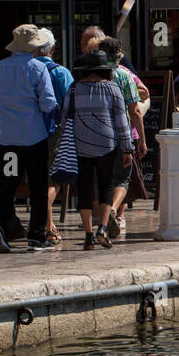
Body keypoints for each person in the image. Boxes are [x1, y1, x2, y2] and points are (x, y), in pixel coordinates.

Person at [0, 24, 58, 252]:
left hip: (6, 139)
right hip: (33, 138)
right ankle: (36, 237)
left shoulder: (0, 68)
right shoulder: (38, 68)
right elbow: (47, 103)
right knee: (38, 187)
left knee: (6, 186)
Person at [68, 50, 134, 250]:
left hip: (80, 145)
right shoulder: (113, 89)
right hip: (108, 145)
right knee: (106, 186)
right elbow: (122, 122)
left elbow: (65, 117)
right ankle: (102, 229)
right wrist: (127, 148)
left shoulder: (73, 89)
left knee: (85, 188)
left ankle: (88, 234)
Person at [92, 36, 147, 237]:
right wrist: (142, 138)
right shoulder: (125, 76)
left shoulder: (91, 75)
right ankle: (114, 210)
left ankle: (102, 221)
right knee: (123, 179)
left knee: (102, 179)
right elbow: (135, 110)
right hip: (123, 134)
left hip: (96, 134)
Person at [33, 30, 75, 244]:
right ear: (53, 49)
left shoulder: (26, 70)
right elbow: (71, 104)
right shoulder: (61, 73)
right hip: (55, 131)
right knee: (55, 179)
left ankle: (46, 223)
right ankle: (47, 224)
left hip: (29, 132)